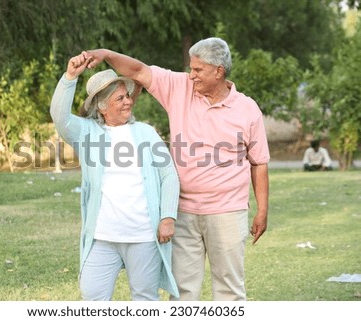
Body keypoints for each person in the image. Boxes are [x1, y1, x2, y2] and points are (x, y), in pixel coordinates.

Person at [85, 36, 270, 301]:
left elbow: (259, 162)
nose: (191, 75)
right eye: (190, 68)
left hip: (228, 211)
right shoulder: (180, 87)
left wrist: (262, 211)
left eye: (198, 70)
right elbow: (138, 71)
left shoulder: (247, 109)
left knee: (229, 288)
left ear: (218, 71)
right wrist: (105, 54)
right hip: (183, 212)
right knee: (182, 290)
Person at [50, 52, 180, 301]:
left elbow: (168, 176)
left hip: (143, 235)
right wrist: (69, 77)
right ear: (102, 106)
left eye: (128, 96)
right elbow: (60, 117)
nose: (128, 102)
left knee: (145, 299)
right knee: (92, 296)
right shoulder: (87, 134)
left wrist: (167, 216)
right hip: (102, 237)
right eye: (120, 98)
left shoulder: (146, 133)